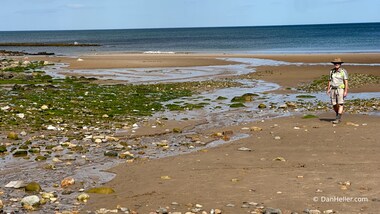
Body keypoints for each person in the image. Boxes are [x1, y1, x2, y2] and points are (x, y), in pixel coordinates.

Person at [326, 58, 348, 124]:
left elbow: (346, 82)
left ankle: (338, 118)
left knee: (340, 104)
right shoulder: (331, 71)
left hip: (340, 89)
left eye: (338, 63)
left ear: (340, 64)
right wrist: (328, 89)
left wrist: (345, 91)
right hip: (333, 89)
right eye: (335, 63)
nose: (336, 64)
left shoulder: (343, 71)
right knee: (334, 104)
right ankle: (338, 114)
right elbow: (330, 81)